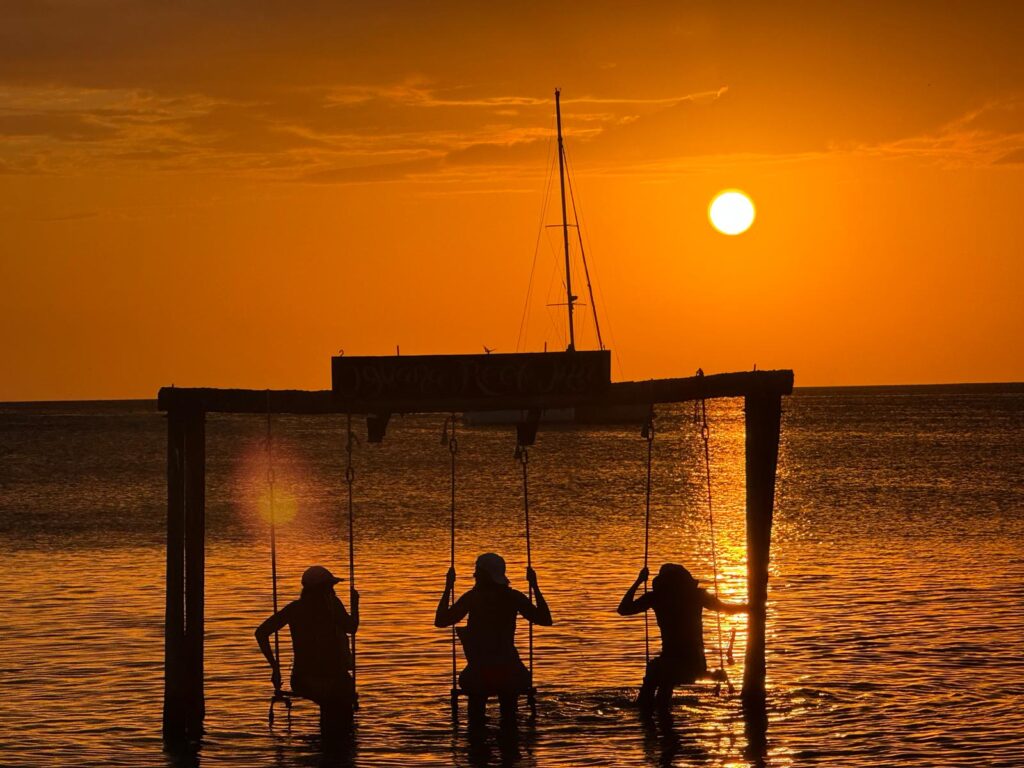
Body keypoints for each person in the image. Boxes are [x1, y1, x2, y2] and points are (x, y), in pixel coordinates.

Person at [435, 552, 553, 728]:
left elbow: (441, 621)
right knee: (509, 720)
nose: (474, 576)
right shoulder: (513, 597)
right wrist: (534, 586)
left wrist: (448, 587)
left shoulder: (473, 598)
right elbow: (545, 619)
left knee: (476, 722)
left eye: (477, 573)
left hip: (479, 672)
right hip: (509, 671)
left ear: (483, 575)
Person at [617, 563, 748, 711]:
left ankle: (650, 717)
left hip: (688, 664)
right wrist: (749, 608)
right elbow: (726, 609)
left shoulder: (659, 597)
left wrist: (639, 581)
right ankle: (654, 713)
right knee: (658, 671)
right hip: (686, 663)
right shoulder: (693, 596)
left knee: (657, 672)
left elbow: (624, 609)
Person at [255, 565, 359, 735]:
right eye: (328, 587)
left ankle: (330, 746)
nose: (331, 591)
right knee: (340, 704)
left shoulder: (297, 609)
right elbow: (351, 627)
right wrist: (355, 605)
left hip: (309, 678)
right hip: (317, 679)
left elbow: (261, 633)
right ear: (318, 590)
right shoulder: (330, 607)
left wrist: (275, 667)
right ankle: (335, 747)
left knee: (340, 700)